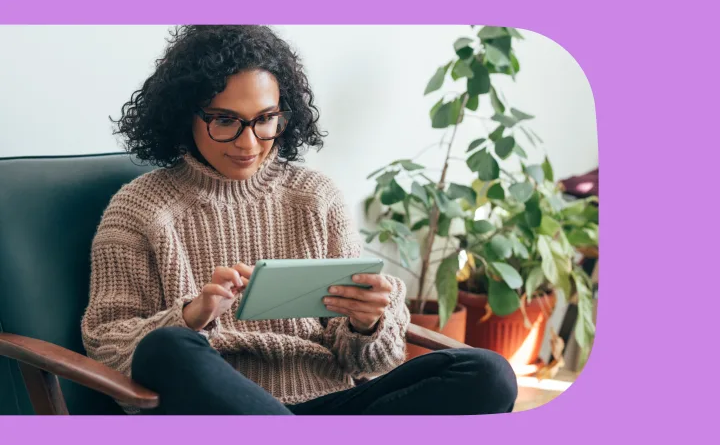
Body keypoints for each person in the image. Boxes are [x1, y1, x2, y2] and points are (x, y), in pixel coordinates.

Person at [80, 25, 518, 415]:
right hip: (214, 408)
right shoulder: (139, 210)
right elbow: (107, 346)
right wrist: (193, 315)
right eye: (225, 121)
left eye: (266, 119)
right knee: (167, 346)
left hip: (330, 402)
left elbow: (370, 362)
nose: (249, 142)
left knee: (489, 373)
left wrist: (366, 323)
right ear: (184, 115)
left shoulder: (315, 197)